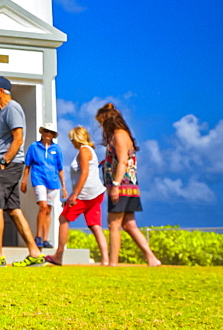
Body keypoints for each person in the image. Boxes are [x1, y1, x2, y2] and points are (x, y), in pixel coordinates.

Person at [0, 75, 45, 267]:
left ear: (1, 91)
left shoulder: (12, 108)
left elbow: (18, 138)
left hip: (9, 164)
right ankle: (35, 253)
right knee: (13, 210)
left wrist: (3, 163)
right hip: (12, 165)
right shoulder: (5, 111)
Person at [95, 103, 161, 267]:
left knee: (114, 224)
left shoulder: (119, 135)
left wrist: (115, 185)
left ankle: (113, 262)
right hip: (130, 185)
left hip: (122, 186)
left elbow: (123, 161)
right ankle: (151, 258)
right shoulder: (122, 135)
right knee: (129, 224)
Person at [46, 126, 109, 266]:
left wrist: (74, 195)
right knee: (94, 225)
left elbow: (84, 173)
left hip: (85, 194)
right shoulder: (89, 150)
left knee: (63, 218)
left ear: (77, 138)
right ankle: (106, 259)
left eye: (72, 139)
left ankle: (59, 255)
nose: (71, 142)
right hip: (96, 193)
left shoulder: (83, 151)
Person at [21, 123, 67, 249]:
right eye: (46, 131)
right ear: (42, 132)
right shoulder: (34, 147)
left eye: (51, 133)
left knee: (48, 210)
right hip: (38, 179)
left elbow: (60, 168)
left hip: (53, 182)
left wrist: (64, 187)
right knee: (42, 206)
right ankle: (38, 236)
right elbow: (28, 165)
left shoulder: (56, 149)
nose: (48, 134)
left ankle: (45, 238)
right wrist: (24, 181)